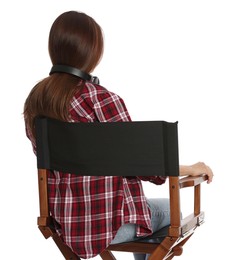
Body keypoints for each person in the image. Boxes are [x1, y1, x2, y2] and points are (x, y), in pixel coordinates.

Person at [23, 11, 213, 260]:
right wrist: (192, 167)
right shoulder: (99, 99)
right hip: (113, 227)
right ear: (93, 52)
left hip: (66, 227)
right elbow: (149, 168)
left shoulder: (36, 102)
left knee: (146, 215)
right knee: (167, 211)